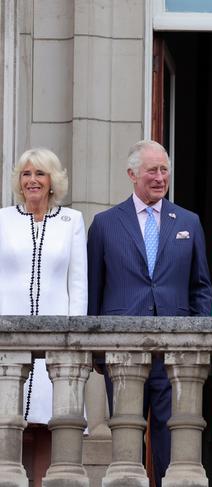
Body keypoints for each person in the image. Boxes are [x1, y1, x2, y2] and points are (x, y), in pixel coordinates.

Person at [87, 140, 212, 487]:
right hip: (122, 351)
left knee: (171, 445)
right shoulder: (104, 224)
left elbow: (201, 286)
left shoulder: (189, 221)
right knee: (127, 443)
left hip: (175, 354)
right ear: (132, 174)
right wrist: (95, 351)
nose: (160, 178)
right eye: (152, 171)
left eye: (164, 170)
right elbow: (94, 291)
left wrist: (199, 339)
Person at [0, 148, 87, 478]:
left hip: (55, 346)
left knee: (51, 425)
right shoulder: (3, 220)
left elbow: (78, 285)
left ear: (52, 181)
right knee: (11, 426)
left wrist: (76, 342)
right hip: (9, 343)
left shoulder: (71, 221)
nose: (32, 180)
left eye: (40, 174)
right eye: (26, 174)